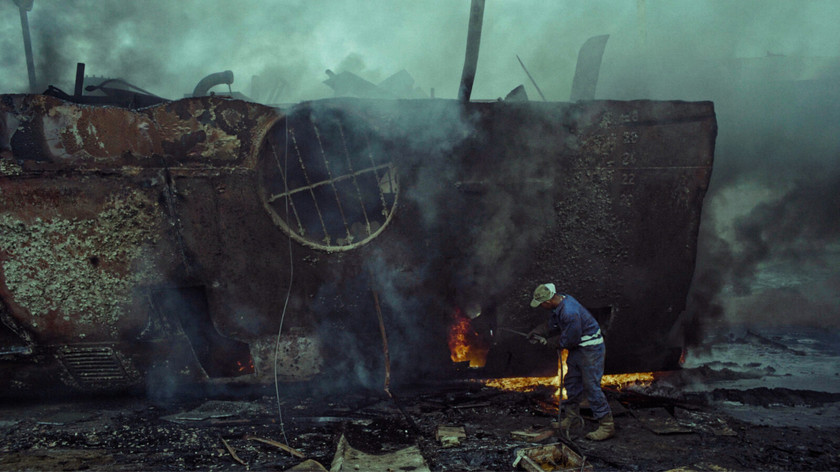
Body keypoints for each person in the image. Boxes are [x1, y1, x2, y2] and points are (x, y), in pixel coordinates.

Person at [527, 283, 614, 441]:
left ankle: (606, 426)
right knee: (572, 382)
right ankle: (572, 419)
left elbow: (571, 339)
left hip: (590, 350)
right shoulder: (559, 304)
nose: (541, 307)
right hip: (579, 349)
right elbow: (553, 324)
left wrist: (549, 342)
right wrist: (539, 331)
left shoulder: (569, 311)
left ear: (547, 301)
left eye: (541, 304)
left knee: (591, 387)